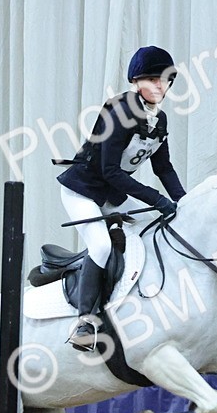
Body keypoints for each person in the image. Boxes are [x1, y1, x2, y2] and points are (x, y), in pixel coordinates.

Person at [56, 45, 186, 351]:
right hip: (83, 191)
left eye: (164, 79)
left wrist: (182, 202)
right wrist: (156, 198)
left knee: (158, 226)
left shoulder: (160, 119)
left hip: (112, 194)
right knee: (100, 245)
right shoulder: (119, 111)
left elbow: (163, 167)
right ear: (136, 82)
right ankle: (85, 322)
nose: (159, 85)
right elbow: (110, 171)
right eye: (152, 79)